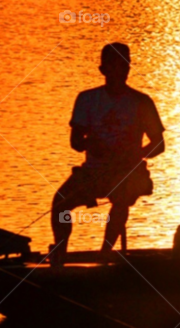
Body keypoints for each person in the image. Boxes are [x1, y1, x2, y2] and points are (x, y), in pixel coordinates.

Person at [50, 43, 165, 266]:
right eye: (114, 66)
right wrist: (90, 145)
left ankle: (106, 252)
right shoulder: (86, 99)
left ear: (129, 68)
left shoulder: (142, 102)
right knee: (60, 204)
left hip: (128, 170)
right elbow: (75, 142)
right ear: (103, 70)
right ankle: (59, 253)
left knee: (121, 198)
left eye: (124, 66)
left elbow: (159, 145)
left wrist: (135, 154)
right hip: (94, 171)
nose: (120, 71)